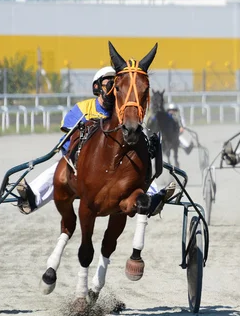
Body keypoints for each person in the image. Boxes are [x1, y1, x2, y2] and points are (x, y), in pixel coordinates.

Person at [16, 66, 170, 215]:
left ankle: (153, 199)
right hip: (84, 163)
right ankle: (32, 197)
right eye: (108, 82)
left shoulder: (122, 111)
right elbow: (68, 139)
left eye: (114, 83)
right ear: (97, 86)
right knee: (58, 170)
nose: (111, 87)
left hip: (118, 166)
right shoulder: (83, 108)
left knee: (137, 170)